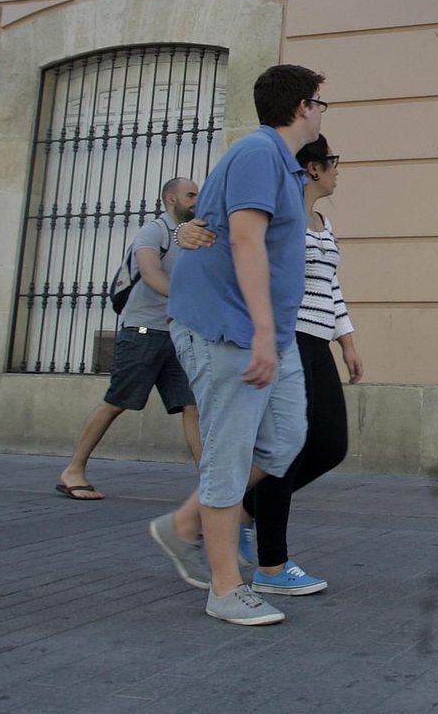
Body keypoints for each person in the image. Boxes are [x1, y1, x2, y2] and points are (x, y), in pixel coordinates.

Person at [146, 64, 325, 626]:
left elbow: (217, 225)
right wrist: (264, 336)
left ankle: (184, 523)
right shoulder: (257, 153)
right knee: (228, 453)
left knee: (287, 437)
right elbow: (246, 241)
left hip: (265, 328)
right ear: (302, 106)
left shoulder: (282, 165)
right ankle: (225, 589)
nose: (323, 111)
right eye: (321, 102)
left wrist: (189, 228)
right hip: (229, 329)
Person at [177, 135, 364, 596]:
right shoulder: (280, 215)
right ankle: (271, 564)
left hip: (319, 339)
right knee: (288, 449)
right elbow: (229, 244)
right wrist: (182, 233)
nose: (339, 170)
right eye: (333, 162)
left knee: (328, 446)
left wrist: (349, 342)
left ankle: (238, 513)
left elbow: (331, 288)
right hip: (286, 334)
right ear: (313, 169)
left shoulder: (322, 222)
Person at [56, 177, 201, 500]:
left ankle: (211, 485)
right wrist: (184, 303)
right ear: (171, 200)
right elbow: (150, 275)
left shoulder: (191, 237)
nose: (196, 201)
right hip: (142, 334)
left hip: (177, 337)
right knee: (115, 403)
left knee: (193, 406)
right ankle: (73, 469)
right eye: (190, 195)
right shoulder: (154, 232)